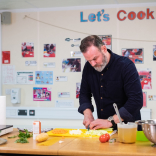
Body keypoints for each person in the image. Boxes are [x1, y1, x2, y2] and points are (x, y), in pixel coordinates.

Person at [78, 35, 143, 130]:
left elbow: (136, 100)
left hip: (129, 128)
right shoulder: (88, 67)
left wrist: (110, 121)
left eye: (95, 58)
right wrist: (87, 114)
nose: (92, 64)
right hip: (103, 128)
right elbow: (84, 94)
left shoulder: (125, 65)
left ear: (104, 49)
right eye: (89, 60)